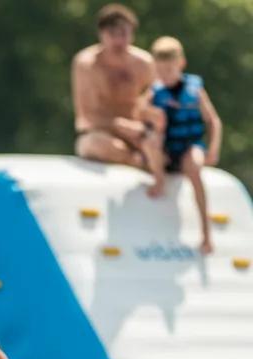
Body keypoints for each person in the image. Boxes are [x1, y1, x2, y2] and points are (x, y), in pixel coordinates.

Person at [72, 5, 166, 198]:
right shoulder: (86, 64)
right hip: (103, 135)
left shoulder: (144, 63)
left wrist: (145, 127)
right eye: (113, 33)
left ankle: (150, 160)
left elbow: (159, 106)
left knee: (167, 144)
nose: (119, 40)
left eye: (124, 33)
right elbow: (84, 116)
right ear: (101, 34)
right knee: (92, 144)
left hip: (139, 134)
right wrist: (118, 125)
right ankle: (139, 162)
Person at [144, 36, 222, 254]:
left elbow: (213, 120)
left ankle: (206, 234)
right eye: (160, 71)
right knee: (151, 139)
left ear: (181, 64)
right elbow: (137, 112)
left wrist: (214, 148)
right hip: (166, 150)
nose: (165, 76)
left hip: (190, 146)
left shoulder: (195, 89)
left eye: (169, 70)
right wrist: (150, 112)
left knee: (195, 168)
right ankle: (159, 180)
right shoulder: (155, 91)